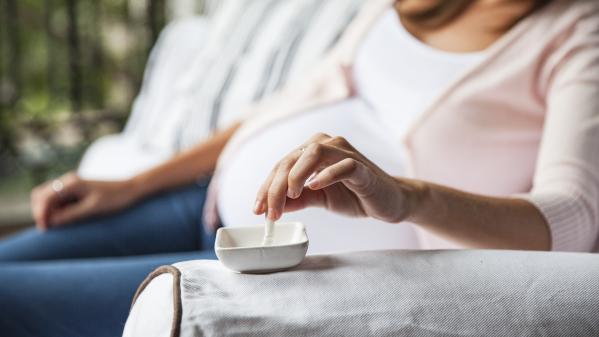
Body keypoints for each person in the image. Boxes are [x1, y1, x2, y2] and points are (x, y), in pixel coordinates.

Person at [1, 0, 598, 336]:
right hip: (204, 204)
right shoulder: (402, 10)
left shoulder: (577, 33)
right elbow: (289, 104)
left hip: (275, 263)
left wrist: (407, 197)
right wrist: (132, 185)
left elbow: (570, 221)